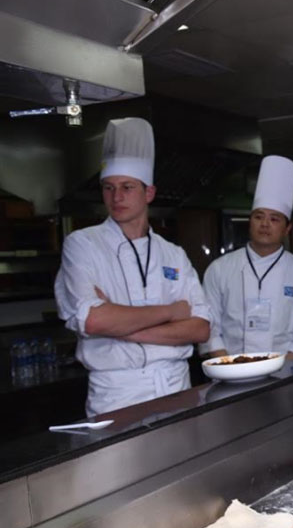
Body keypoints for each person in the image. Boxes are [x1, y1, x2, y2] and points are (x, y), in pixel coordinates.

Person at [55, 118, 210, 416]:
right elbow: (95, 322)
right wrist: (171, 312)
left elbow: (200, 328)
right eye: (108, 188)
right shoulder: (83, 245)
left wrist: (123, 328)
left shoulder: (173, 254)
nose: (117, 197)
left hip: (176, 387)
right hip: (116, 395)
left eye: (127, 187)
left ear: (148, 193)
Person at [200, 156, 293, 360]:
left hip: (283, 371)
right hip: (230, 369)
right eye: (258, 217)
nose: (265, 224)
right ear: (250, 222)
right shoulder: (219, 269)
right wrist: (229, 365)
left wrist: (282, 369)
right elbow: (209, 327)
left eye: (274, 219)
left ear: (287, 229)